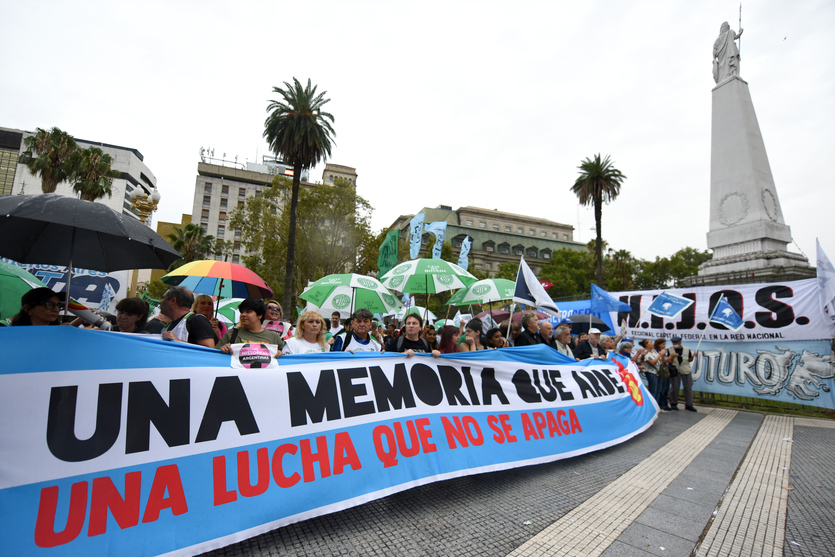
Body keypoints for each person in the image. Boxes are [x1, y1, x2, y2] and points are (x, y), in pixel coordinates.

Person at [218, 298, 284, 353]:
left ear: (260, 315)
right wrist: (223, 349)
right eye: (242, 312)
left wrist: (280, 354)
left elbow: (284, 361)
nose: (243, 315)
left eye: (248, 312)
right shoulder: (231, 334)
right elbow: (215, 356)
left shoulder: (274, 337)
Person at [643, 339, 676, 412]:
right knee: (653, 390)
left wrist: (666, 356)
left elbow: (662, 361)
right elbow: (652, 362)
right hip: (651, 372)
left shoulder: (654, 351)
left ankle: (656, 407)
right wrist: (661, 355)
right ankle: (650, 407)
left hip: (658, 372)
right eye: (651, 342)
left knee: (658, 390)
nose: (652, 344)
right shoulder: (645, 352)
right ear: (646, 344)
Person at [668, 336, 698, 412]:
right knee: (675, 387)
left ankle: (689, 404)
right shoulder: (669, 350)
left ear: (680, 342)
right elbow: (669, 361)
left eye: (676, 342)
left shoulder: (687, 349)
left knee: (688, 387)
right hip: (675, 370)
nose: (674, 344)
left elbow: (689, 359)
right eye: (673, 342)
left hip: (685, 370)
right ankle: (673, 403)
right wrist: (672, 357)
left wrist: (694, 356)